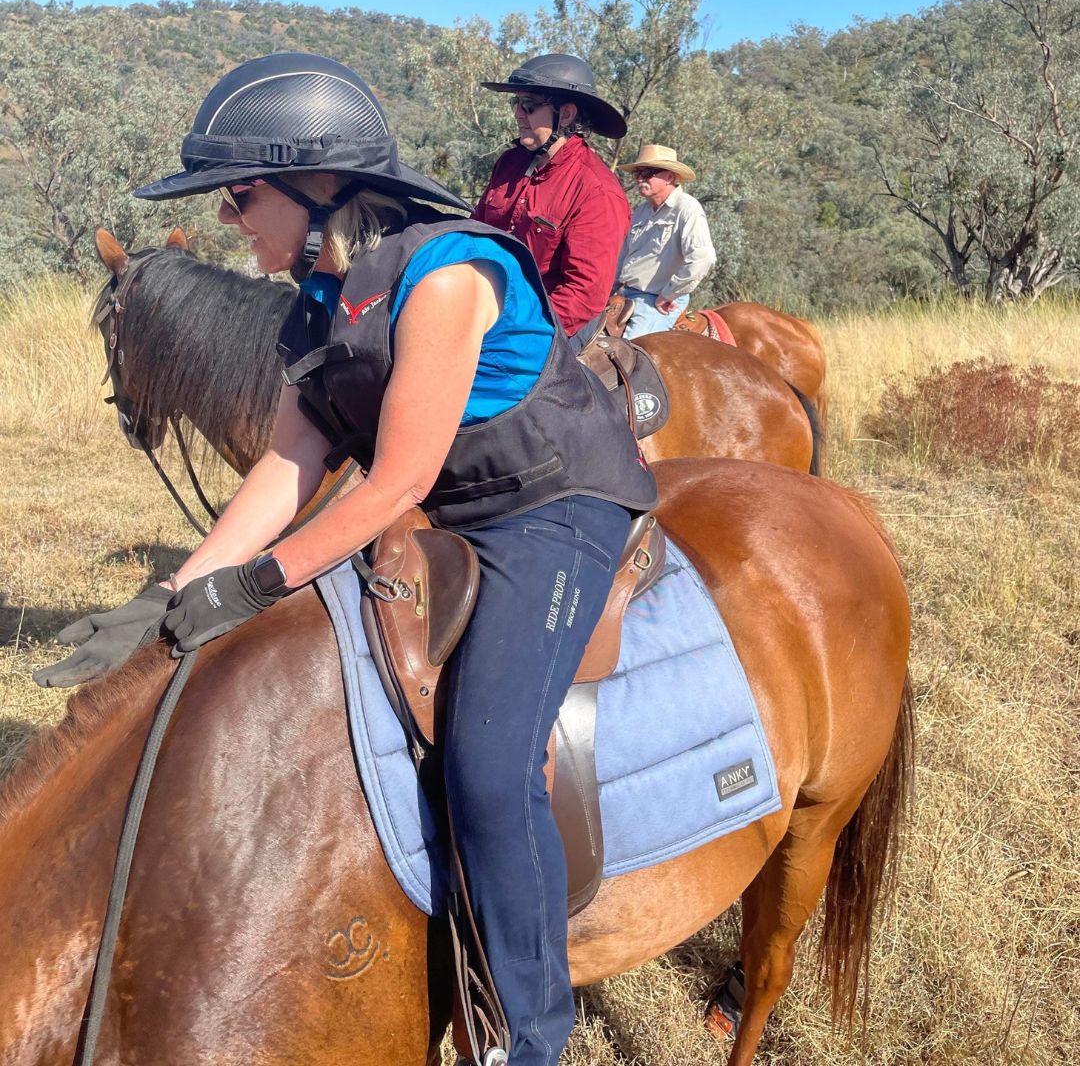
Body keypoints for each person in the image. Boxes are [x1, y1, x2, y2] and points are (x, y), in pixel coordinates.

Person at [37, 53, 657, 1066]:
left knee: (490, 768)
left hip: (551, 507)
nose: (233, 220)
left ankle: (536, 1034)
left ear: (316, 186)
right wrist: (179, 589)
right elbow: (291, 461)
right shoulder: (313, 302)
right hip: (453, 504)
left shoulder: (444, 273)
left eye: (240, 196)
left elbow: (394, 483)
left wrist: (257, 582)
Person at [474, 53, 630, 351]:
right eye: (515, 104)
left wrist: (513, 331)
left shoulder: (597, 191)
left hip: (548, 324)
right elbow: (474, 232)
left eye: (529, 105)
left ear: (567, 114)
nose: (518, 114)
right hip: (488, 306)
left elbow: (584, 295)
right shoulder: (510, 163)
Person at [615, 144, 716, 338]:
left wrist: (669, 294)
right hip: (625, 295)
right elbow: (623, 256)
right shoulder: (641, 211)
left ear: (669, 177)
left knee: (630, 350)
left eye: (648, 172)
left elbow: (703, 258)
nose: (640, 178)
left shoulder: (687, 209)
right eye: (638, 172)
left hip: (654, 301)